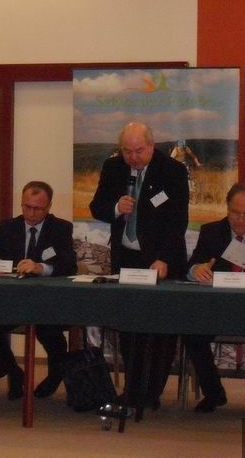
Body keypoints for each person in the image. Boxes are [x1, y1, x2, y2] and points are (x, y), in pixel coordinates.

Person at [89, 121, 189, 409]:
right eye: (127, 151)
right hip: (127, 259)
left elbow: (178, 220)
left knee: (160, 329)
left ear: (152, 145)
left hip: (161, 259)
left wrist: (164, 258)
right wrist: (115, 208)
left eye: (139, 151)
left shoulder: (172, 170)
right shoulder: (113, 168)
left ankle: (152, 392)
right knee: (129, 328)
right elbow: (97, 207)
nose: (132, 157)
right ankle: (132, 389)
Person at [184, 183, 245, 415]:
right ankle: (213, 392)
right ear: (227, 208)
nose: (240, 220)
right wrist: (196, 270)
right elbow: (191, 266)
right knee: (191, 332)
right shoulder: (211, 231)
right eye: (235, 213)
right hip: (216, 307)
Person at [0, 181, 77, 400]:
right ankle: (14, 372)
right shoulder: (8, 227)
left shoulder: (60, 228)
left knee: (50, 332)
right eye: (27, 207)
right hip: (12, 300)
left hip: (47, 302)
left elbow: (68, 265)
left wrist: (41, 267)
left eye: (38, 209)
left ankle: (54, 376)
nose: (31, 213)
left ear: (48, 207)